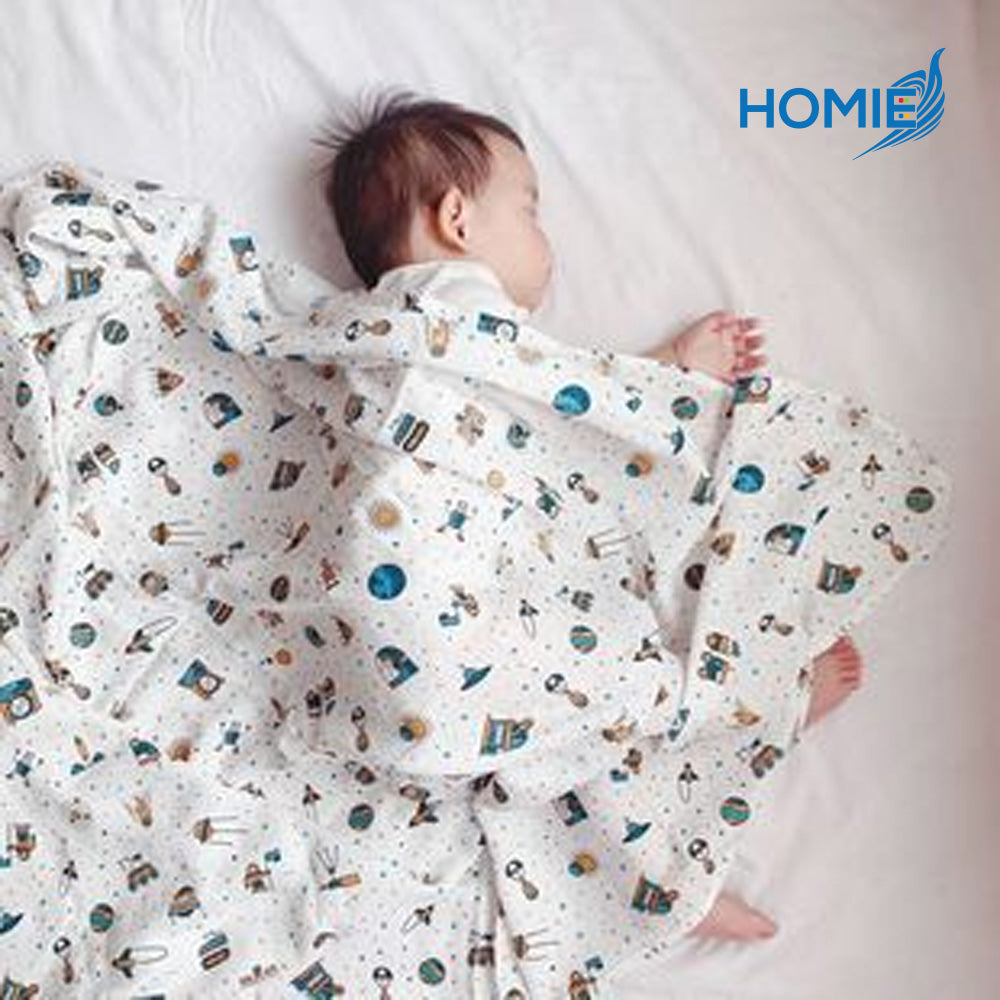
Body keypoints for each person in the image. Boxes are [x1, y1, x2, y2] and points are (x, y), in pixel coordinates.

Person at [317, 90, 866, 942]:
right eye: (529, 209)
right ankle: (751, 735)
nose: (546, 240)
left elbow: (539, 418)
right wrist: (674, 370)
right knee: (633, 669)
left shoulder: (370, 332)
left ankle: (654, 885)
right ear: (458, 220)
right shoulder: (458, 310)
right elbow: (575, 420)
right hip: (443, 611)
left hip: (384, 653)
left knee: (557, 740)